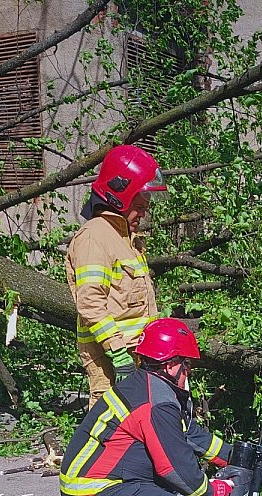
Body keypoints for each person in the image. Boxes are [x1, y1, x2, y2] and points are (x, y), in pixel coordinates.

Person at [60, 317, 235, 496]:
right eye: (186, 364)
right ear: (170, 365)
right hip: (95, 490)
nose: (189, 371)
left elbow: (188, 433)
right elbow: (175, 469)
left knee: (174, 495)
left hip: (96, 479)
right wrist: (211, 493)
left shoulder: (149, 385)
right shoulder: (157, 403)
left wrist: (232, 456)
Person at [66, 144, 167, 408]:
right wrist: (118, 354)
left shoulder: (124, 239)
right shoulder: (95, 237)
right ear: (120, 195)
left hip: (135, 354)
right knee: (110, 431)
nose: (144, 212)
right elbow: (90, 303)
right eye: (140, 203)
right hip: (110, 358)